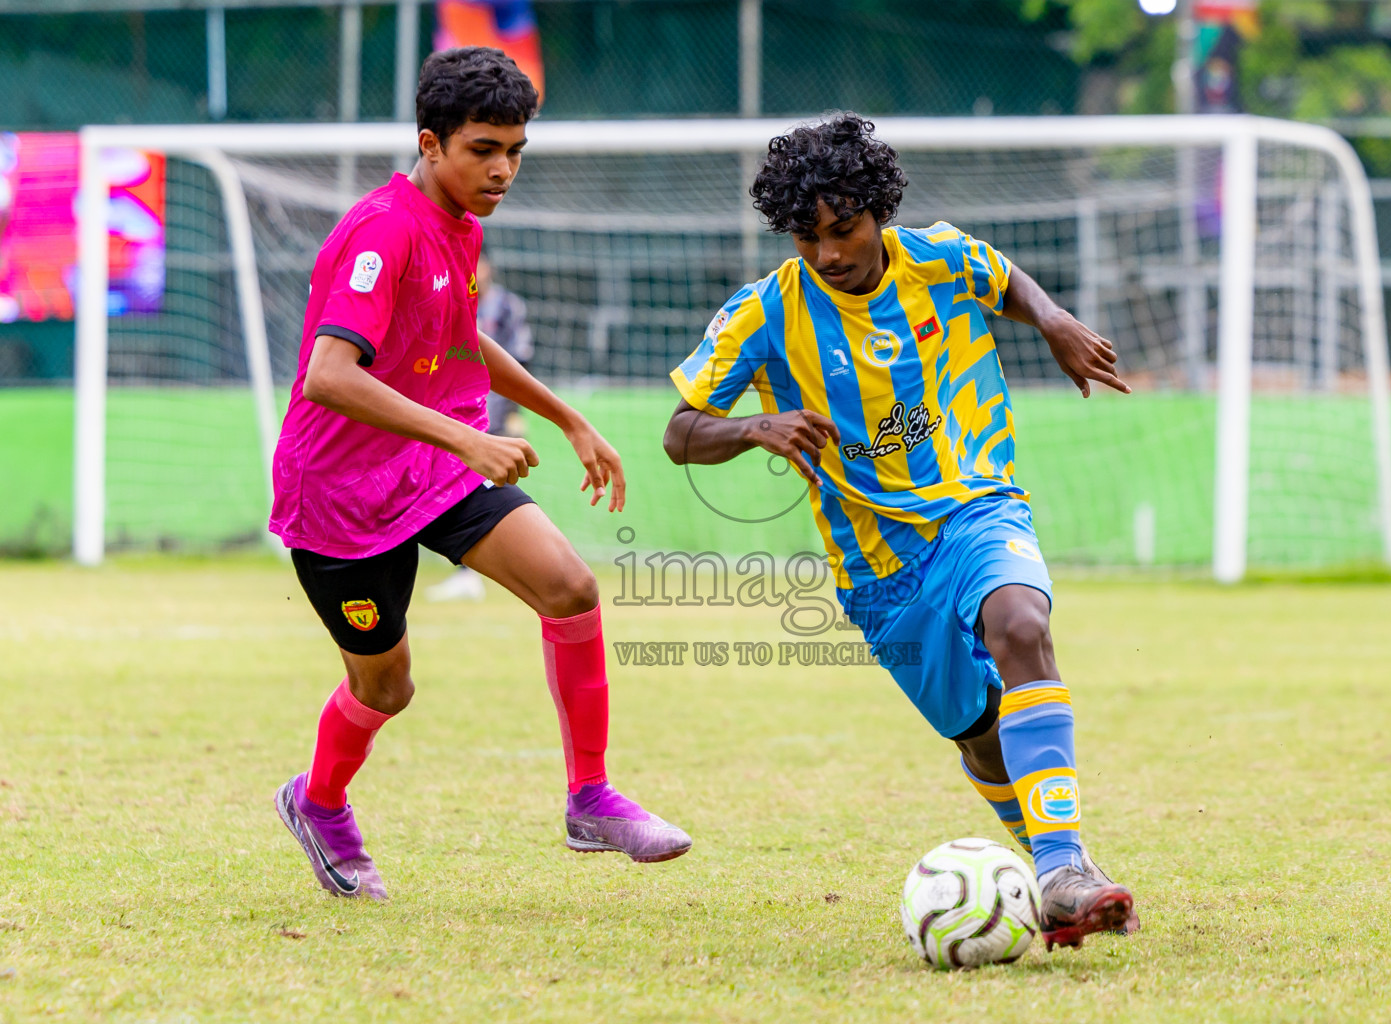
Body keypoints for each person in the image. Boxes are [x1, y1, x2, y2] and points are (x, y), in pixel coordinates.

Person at [663, 113, 1134, 949]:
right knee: (981, 736)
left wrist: (1055, 320)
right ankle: (1054, 877)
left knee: (1021, 622)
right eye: (808, 238)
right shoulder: (765, 313)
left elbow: (1005, 279)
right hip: (880, 574)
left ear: (878, 210)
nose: (830, 253)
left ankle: (1062, 866)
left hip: (979, 506)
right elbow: (681, 432)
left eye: (843, 229)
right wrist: (753, 428)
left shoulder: (942, 258)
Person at [270, 46, 690, 901]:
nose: (503, 170)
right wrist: (469, 440)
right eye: (483, 149)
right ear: (431, 144)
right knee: (386, 688)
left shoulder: (459, 225)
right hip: (342, 500)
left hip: (430, 468)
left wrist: (567, 417)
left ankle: (590, 800)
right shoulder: (383, 230)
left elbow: (458, 335)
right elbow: (328, 375)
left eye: (515, 151)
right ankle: (318, 802)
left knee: (570, 587)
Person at [425, 252, 533, 602]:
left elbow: (519, 358)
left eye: (477, 265)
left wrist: (514, 413)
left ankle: (482, 571)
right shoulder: (449, 301)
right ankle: (469, 572)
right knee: (460, 487)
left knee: (487, 491)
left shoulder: (506, 307)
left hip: (495, 415)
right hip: (455, 415)